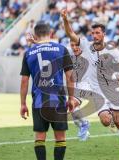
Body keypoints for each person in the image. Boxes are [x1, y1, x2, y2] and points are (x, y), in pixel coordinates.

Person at [61, 9, 119, 155]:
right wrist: (65, 19)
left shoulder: (113, 50)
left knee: (118, 121)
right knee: (105, 121)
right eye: (93, 33)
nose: (94, 36)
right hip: (97, 91)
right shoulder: (87, 46)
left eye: (97, 33)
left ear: (104, 34)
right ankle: (109, 118)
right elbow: (71, 34)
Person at [20, 22, 75, 160]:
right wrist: (72, 98)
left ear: (35, 35)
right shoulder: (62, 49)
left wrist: (23, 104)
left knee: (39, 137)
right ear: (51, 34)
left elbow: (24, 81)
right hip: (58, 101)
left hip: (39, 101)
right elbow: (70, 77)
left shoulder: (28, 53)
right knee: (60, 138)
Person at [26, 34, 90, 141]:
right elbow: (52, 46)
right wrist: (35, 42)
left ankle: (85, 123)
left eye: (76, 45)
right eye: (72, 45)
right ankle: (83, 125)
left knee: (72, 103)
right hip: (74, 84)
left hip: (85, 84)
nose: (74, 48)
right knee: (71, 109)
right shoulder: (68, 51)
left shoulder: (88, 52)